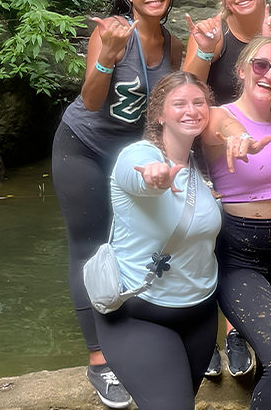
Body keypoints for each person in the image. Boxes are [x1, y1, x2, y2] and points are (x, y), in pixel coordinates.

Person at [51, 0, 183, 408]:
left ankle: (147, 341)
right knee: (90, 249)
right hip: (83, 148)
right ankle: (99, 361)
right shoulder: (111, 33)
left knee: (145, 243)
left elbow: (177, 102)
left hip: (133, 158)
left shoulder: (173, 44)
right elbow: (90, 100)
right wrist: (107, 54)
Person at [183, 0, 271, 376]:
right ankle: (203, 338)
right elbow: (187, 91)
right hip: (210, 138)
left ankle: (236, 334)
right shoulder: (212, 32)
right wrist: (203, 50)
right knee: (201, 242)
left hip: (258, 142)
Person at [91, 72, 222, 410]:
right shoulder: (136, 156)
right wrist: (155, 177)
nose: (191, 110)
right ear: (159, 115)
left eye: (198, 102)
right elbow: (140, 177)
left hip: (200, 315)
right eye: (179, 103)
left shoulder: (201, 163)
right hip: (138, 314)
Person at [204, 37, 271, 409]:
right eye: (261, 65)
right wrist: (240, 140)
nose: (270, 74)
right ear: (241, 70)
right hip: (241, 254)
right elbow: (228, 131)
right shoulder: (219, 115)